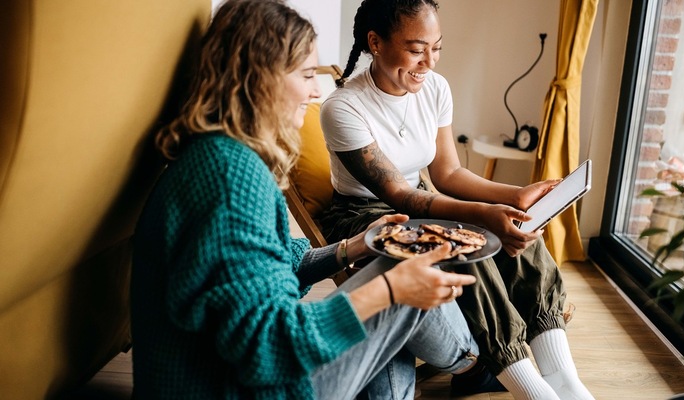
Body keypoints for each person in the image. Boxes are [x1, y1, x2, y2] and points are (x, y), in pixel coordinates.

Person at [129, 1, 482, 399]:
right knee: (399, 279)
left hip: (239, 376)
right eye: (306, 74)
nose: (316, 91)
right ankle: (472, 362)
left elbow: (279, 264)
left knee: (390, 260)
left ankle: (460, 359)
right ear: (257, 78)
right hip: (237, 388)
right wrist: (389, 291)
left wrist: (354, 246)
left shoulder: (228, 157)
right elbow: (266, 347)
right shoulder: (229, 178)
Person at [319, 1, 594, 399]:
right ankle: (530, 387)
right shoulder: (342, 107)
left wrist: (516, 198)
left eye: (437, 47)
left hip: (420, 198)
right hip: (365, 215)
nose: (428, 62)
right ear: (375, 42)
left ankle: (563, 376)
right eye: (416, 49)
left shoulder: (435, 88)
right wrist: (484, 216)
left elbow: (448, 174)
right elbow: (398, 194)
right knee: (463, 240)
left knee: (517, 222)